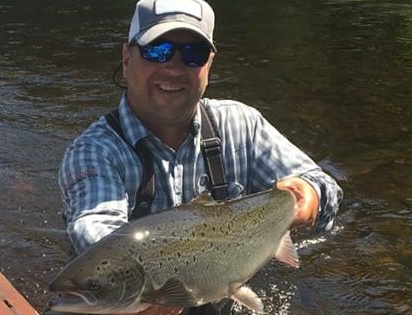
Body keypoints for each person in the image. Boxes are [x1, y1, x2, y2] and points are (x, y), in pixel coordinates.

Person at [58, 0, 343, 314]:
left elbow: (323, 185)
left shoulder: (242, 125)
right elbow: (94, 231)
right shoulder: (94, 152)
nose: (174, 67)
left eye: (193, 54)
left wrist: (309, 198)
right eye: (157, 49)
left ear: (210, 64)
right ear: (127, 58)